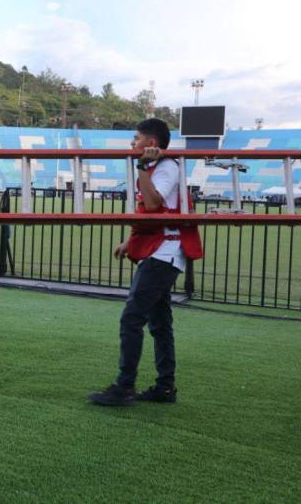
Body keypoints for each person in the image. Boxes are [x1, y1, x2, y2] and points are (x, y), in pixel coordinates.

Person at [89, 118, 202, 406]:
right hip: (161, 250)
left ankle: (125, 386)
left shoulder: (165, 167)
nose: (132, 143)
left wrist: (141, 168)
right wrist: (131, 241)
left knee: (132, 318)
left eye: (136, 138)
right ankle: (165, 387)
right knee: (160, 323)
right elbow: (151, 214)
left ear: (151, 144)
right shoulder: (159, 167)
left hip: (164, 253)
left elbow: (152, 204)